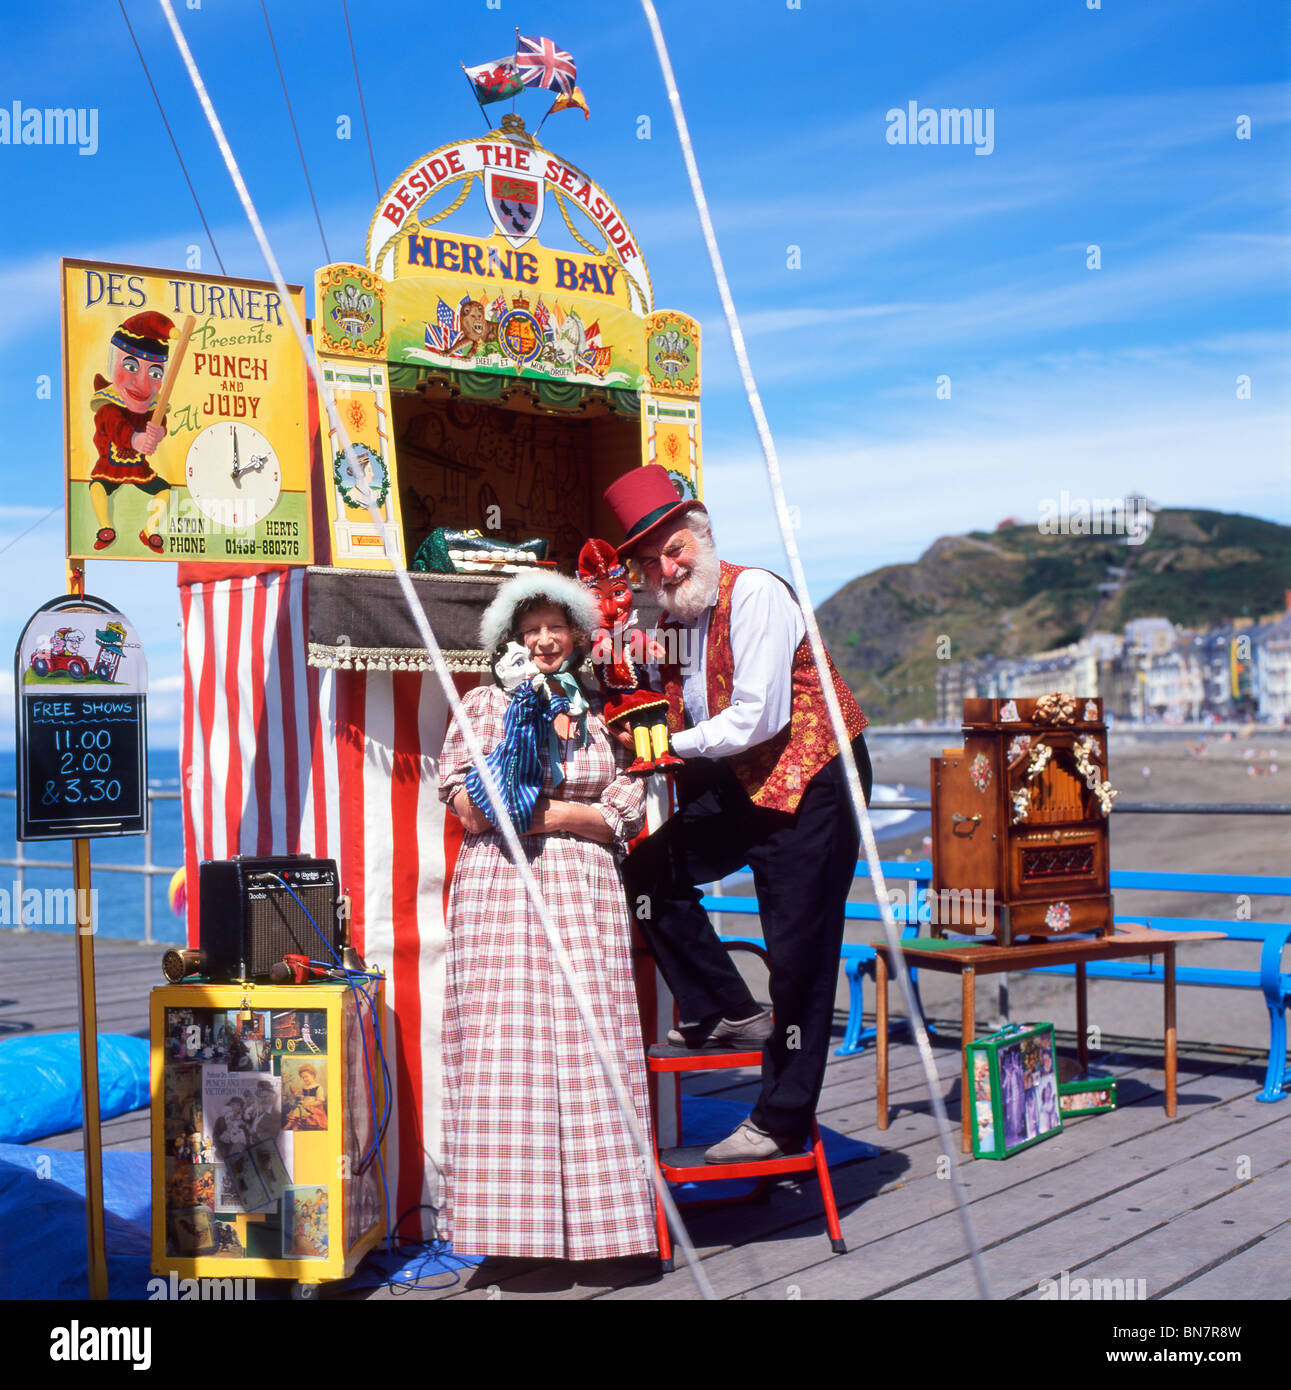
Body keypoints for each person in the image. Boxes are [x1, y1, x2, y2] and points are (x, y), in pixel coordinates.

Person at [604, 465, 872, 1164]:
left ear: (703, 539)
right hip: (740, 779)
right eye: (650, 558)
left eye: (675, 549)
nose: (666, 566)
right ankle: (724, 1006)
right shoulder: (672, 622)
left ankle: (780, 1119)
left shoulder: (754, 591)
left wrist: (661, 753)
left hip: (813, 779)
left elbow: (757, 716)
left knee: (799, 956)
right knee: (646, 874)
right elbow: (679, 711)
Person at [438, 570, 656, 1262]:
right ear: (511, 638)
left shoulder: (603, 714)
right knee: (509, 1049)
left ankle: (604, 1233)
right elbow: (459, 792)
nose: (541, 641)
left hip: (584, 886)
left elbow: (633, 794)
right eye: (528, 630)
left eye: (552, 628)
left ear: (575, 635)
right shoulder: (485, 704)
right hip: (502, 888)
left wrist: (561, 814)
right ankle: (513, 1242)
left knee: (592, 1045)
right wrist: (497, 800)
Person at [87, 310, 174, 553]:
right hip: (109, 467)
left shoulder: (152, 408)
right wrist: (136, 439)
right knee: (97, 486)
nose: (143, 383)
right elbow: (116, 427)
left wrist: (158, 434)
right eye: (130, 366)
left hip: (138, 469)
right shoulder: (109, 407)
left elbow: (160, 424)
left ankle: (150, 530)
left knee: (164, 489)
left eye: (155, 373)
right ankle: (105, 526)